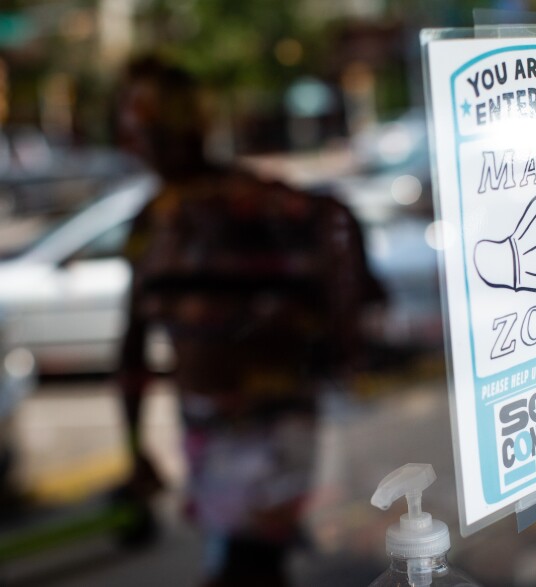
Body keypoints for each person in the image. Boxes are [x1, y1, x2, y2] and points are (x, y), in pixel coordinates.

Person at [115, 56, 383, 587]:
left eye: (146, 124)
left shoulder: (184, 217)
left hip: (251, 433)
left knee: (246, 567)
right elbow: (133, 343)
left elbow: (131, 348)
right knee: (255, 564)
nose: (141, 139)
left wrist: (135, 451)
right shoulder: (250, 206)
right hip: (250, 428)